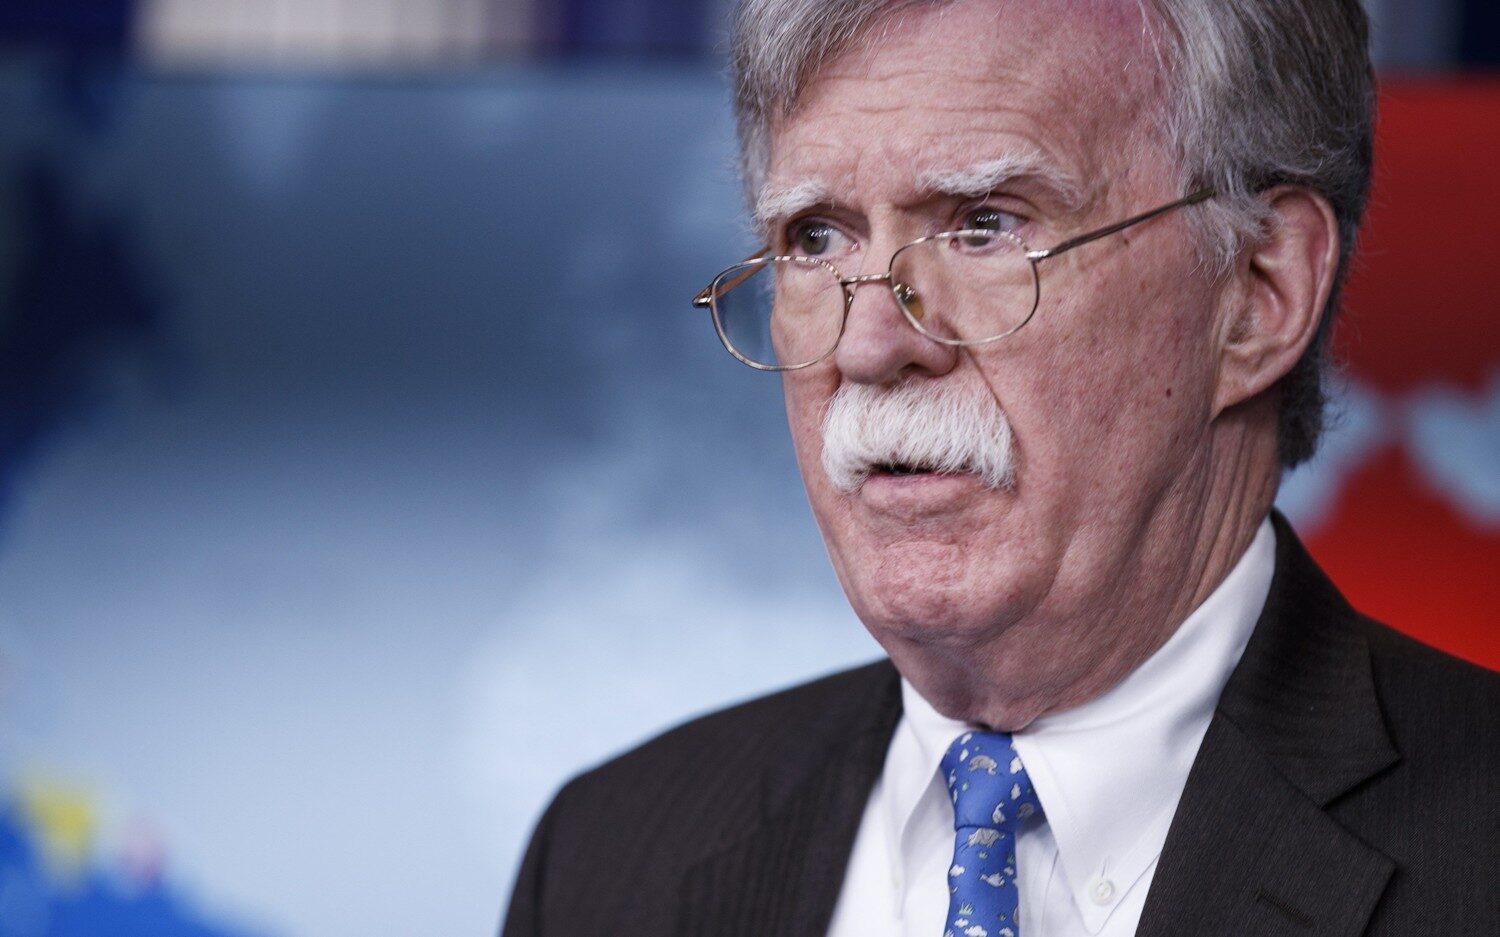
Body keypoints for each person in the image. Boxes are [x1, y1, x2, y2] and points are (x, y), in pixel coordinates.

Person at [500, 1, 1499, 935]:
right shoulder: (609, 857)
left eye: (984, 224)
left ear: (1257, 290)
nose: (869, 343)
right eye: (815, 237)